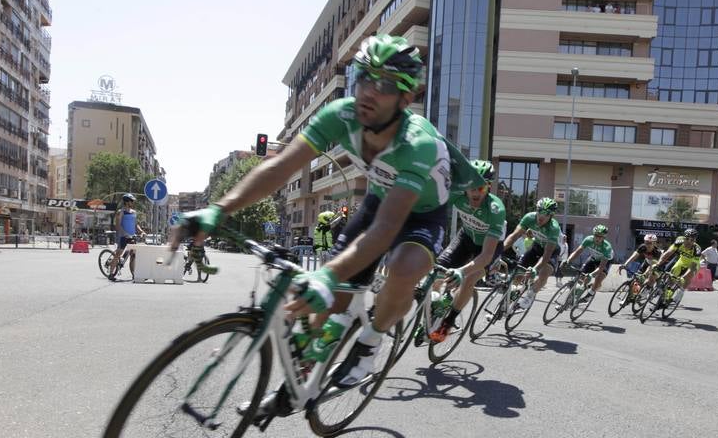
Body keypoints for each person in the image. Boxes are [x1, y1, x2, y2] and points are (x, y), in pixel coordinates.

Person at [173, 33, 472, 399]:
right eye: (363, 79)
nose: (368, 92)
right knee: (327, 303)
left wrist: (328, 275)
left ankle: (371, 340)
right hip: (380, 200)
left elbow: (385, 230)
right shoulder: (340, 116)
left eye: (385, 86)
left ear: (406, 99)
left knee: (403, 266)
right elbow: (279, 168)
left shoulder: (417, 144)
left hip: (421, 214)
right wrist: (218, 209)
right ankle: (307, 373)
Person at [429, 160, 504, 343]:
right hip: (466, 238)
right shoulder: (457, 195)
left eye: (481, 188)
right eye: (472, 187)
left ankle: (448, 321)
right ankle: (435, 308)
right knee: (436, 271)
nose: (475, 192)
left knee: (469, 278)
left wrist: (461, 271)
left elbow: (486, 255)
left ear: (488, 187)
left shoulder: (495, 209)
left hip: (487, 247)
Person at [500, 198, 562, 310]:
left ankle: (530, 295)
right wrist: (497, 251)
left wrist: (535, 269)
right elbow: (514, 236)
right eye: (540, 211)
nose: (541, 216)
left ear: (551, 215)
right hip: (536, 247)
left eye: (546, 214)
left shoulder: (554, 228)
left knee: (544, 272)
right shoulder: (529, 217)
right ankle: (506, 304)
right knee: (517, 274)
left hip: (551, 252)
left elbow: (547, 254)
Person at [566, 224, 615, 299]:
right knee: (581, 276)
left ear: (604, 237)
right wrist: (568, 260)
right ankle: (573, 295)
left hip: (605, 261)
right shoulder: (588, 240)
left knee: (599, 278)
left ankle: (590, 294)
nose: (597, 238)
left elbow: (601, 267)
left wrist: (592, 274)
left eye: (600, 236)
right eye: (596, 235)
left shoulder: (607, 247)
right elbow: (577, 252)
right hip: (593, 258)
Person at [109, 194, 143, 280]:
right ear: (127, 202)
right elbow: (118, 225)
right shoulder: (121, 211)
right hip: (123, 236)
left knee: (133, 255)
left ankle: (134, 275)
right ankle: (111, 274)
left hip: (132, 237)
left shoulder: (134, 212)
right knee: (118, 254)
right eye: (131, 201)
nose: (133, 202)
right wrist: (125, 233)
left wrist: (141, 231)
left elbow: (136, 224)